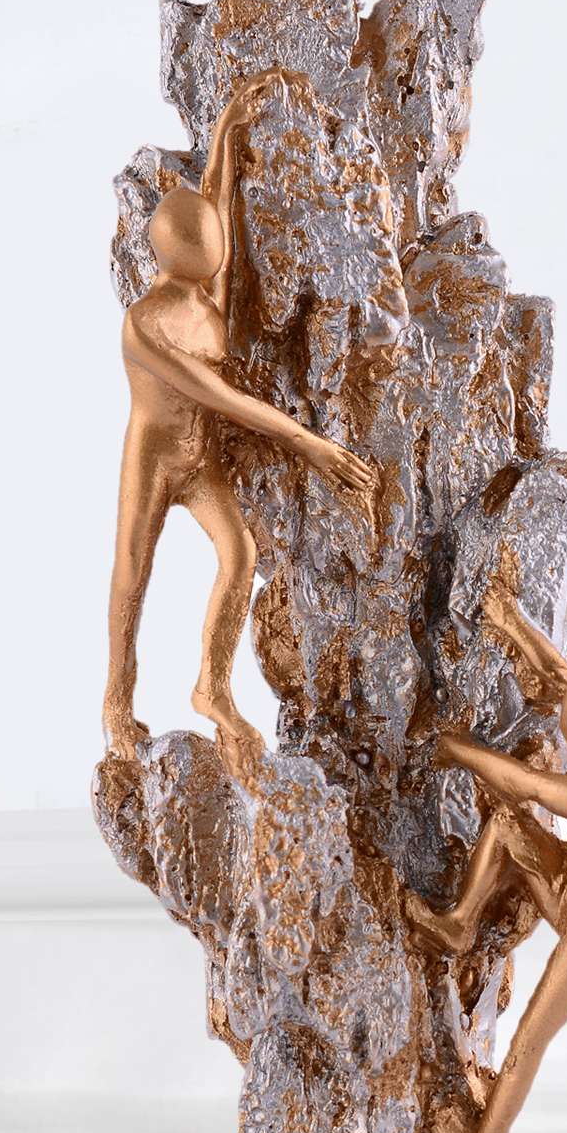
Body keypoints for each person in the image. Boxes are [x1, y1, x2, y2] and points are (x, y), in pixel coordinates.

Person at [103, 73, 377, 776]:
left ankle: (212, 686)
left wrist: (227, 129)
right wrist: (312, 445)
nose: (221, 259)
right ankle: (116, 700)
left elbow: (218, 199)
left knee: (240, 555)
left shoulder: (208, 299)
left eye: (219, 249)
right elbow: (220, 396)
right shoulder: (143, 325)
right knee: (132, 573)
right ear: (170, 254)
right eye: (208, 250)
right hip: (155, 458)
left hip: (203, 461)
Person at [404, 567, 567, 1133]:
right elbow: (563, 677)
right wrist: (509, 619)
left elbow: (528, 783)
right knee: (508, 826)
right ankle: (458, 925)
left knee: (531, 1037)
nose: (561, 713)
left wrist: (458, 749)